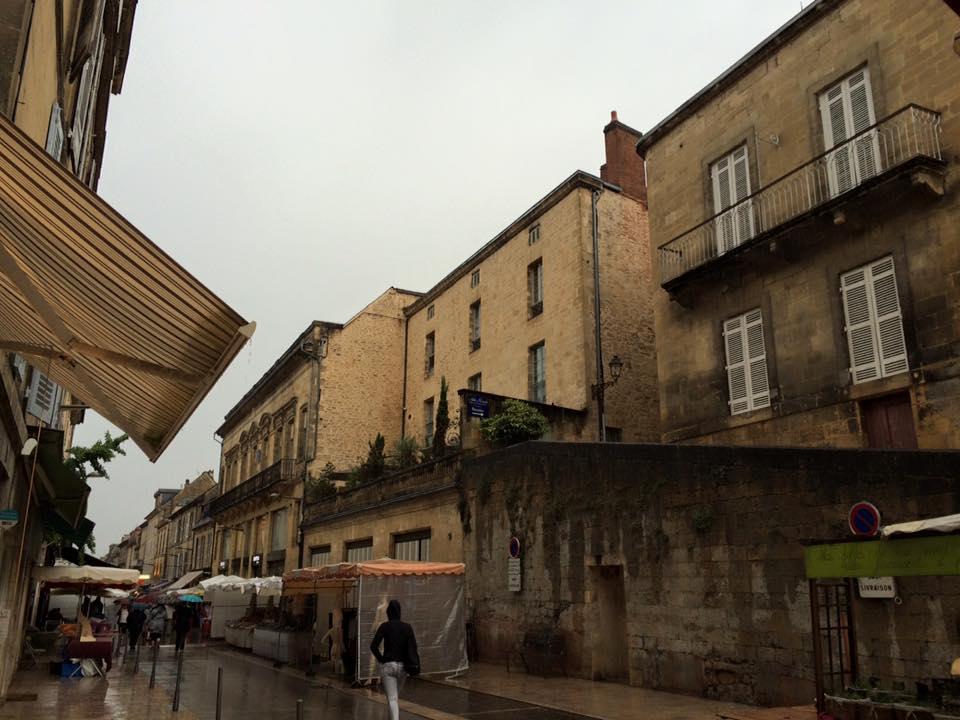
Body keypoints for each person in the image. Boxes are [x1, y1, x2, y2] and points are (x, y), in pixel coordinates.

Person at [370, 600, 419, 720]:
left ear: (388, 613)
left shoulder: (384, 626)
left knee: (392, 699)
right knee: (394, 699)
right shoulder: (407, 627)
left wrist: (381, 659)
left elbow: (373, 646)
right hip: (403, 667)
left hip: (388, 666)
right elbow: (413, 647)